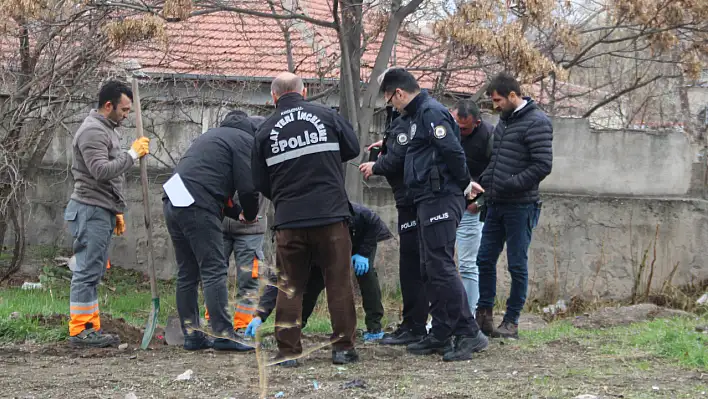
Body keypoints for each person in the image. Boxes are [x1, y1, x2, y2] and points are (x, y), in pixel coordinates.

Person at [377, 67, 488, 362]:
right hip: (426, 197)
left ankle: (468, 331)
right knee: (430, 267)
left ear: (398, 93)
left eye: (390, 100)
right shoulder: (415, 117)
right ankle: (440, 330)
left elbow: (453, 152)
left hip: (441, 196)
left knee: (441, 265)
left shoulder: (430, 112)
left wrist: (464, 184)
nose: (392, 106)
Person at [251, 72, 361, 366]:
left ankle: (288, 352)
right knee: (337, 281)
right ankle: (343, 349)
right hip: (331, 216)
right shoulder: (327, 115)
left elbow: (258, 181)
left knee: (290, 285)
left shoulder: (264, 131)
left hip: (289, 221)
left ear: (274, 97)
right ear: (305, 90)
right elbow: (353, 148)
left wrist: (287, 198)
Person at [162, 109, 260, 352]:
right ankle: (224, 335)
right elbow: (248, 188)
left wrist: (234, 211)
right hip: (197, 204)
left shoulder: (211, 137)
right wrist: (248, 214)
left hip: (172, 198)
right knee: (214, 269)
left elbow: (209, 181)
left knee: (187, 272)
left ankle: (192, 336)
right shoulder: (245, 141)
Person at [63, 80, 150, 347]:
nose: (126, 115)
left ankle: (90, 327)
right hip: (90, 210)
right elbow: (100, 171)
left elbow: (108, 177)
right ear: (108, 105)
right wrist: (131, 155)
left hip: (101, 209)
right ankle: (80, 331)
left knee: (95, 270)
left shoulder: (108, 129)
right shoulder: (92, 132)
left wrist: (116, 210)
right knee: (87, 271)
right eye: (123, 110)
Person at [469, 72, 553, 339]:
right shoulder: (504, 122)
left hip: (521, 206)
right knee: (484, 259)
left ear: (513, 96)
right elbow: (497, 162)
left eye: (498, 100)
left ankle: (512, 321)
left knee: (517, 264)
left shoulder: (537, 122)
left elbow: (542, 165)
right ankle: (483, 315)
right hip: (495, 204)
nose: (495, 106)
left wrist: (511, 184)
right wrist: (483, 188)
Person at [245, 202, 392, 342]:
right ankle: (296, 327)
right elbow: (280, 278)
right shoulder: (298, 237)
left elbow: (373, 223)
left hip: (360, 239)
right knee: (313, 285)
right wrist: (260, 315)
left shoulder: (352, 214)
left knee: (366, 276)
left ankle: (374, 328)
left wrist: (364, 252)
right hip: (325, 247)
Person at [358, 110, 429, 345]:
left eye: (389, 96)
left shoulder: (413, 118)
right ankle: (411, 323)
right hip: (406, 200)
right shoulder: (403, 123)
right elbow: (402, 148)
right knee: (409, 264)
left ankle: (417, 325)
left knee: (414, 265)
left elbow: (401, 157)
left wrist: (377, 166)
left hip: (413, 201)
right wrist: (387, 145)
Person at [203, 115, 270, 334]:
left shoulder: (265, 156)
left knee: (249, 279)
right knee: (214, 275)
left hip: (252, 229)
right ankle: (214, 323)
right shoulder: (230, 149)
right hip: (221, 225)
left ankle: (243, 326)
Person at [450, 100, 494, 315]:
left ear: (477, 122)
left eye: (465, 128)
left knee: (468, 264)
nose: (460, 132)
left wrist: (480, 203)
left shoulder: (489, 136)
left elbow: (498, 171)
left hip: (470, 207)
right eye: (457, 126)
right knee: (441, 264)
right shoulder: (444, 130)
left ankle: (468, 316)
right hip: (446, 204)